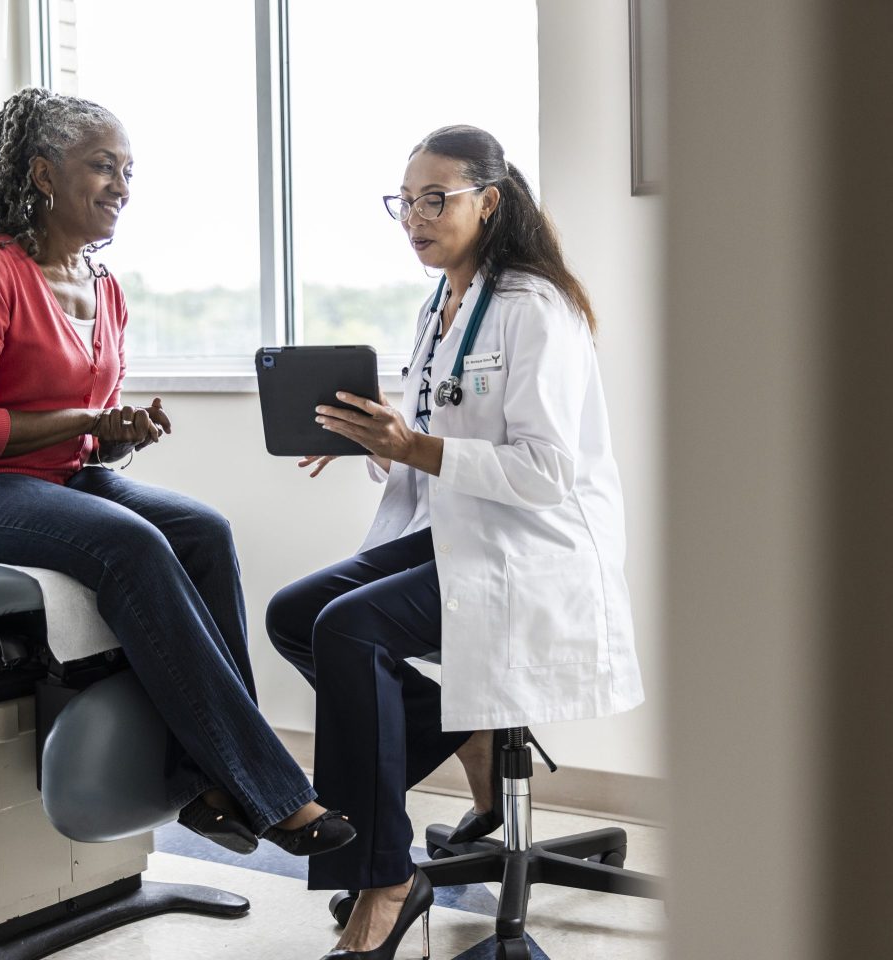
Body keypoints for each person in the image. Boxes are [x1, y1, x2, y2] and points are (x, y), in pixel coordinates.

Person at [0, 87, 354, 859]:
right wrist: (87, 424)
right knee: (130, 544)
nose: (121, 186)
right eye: (102, 167)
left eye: (128, 171)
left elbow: (93, 443)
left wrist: (119, 436)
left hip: (61, 479)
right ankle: (272, 792)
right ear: (44, 174)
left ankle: (213, 784)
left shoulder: (106, 288)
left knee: (204, 532)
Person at [267, 124, 645, 959]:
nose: (415, 217)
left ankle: (383, 880)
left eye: (436, 199)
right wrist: (371, 441)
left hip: (534, 548)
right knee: (296, 615)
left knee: (350, 628)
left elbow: (547, 471)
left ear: (491, 201)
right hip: (456, 528)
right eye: (405, 201)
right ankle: (461, 728)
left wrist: (414, 448)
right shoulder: (442, 302)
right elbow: (429, 428)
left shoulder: (534, 309)